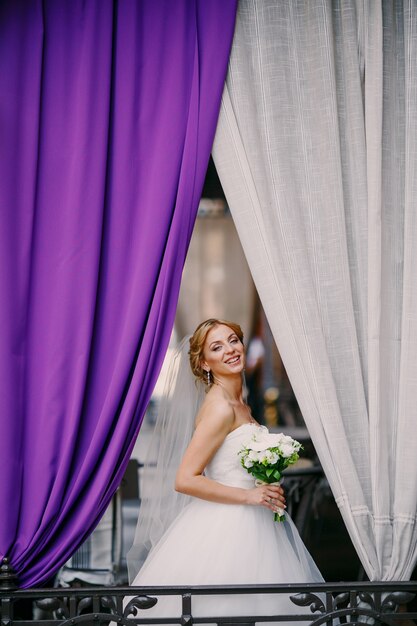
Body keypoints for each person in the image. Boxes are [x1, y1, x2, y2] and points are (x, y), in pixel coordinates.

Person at [124, 319, 323, 622]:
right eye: (217, 347)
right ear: (204, 363)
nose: (230, 350)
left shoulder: (239, 403)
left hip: (257, 522)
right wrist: (250, 496)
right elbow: (185, 479)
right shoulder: (220, 408)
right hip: (228, 527)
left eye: (233, 340)